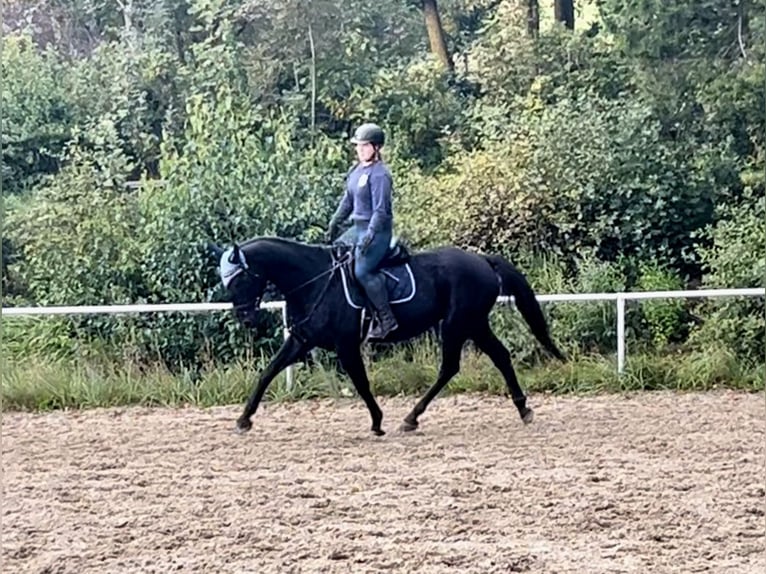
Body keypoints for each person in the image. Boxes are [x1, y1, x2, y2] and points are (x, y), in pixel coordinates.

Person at [325, 122, 399, 339]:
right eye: (358, 145)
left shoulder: (380, 175)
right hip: (356, 229)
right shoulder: (356, 171)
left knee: (362, 271)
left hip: (377, 231)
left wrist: (371, 233)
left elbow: (381, 210)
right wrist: (334, 222)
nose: (359, 149)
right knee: (334, 257)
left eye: (364, 146)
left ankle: (387, 319)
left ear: (376, 148)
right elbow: (348, 201)